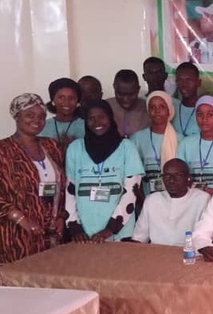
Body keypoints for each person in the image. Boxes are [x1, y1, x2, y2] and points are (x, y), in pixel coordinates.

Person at [0, 94, 66, 268]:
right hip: (12, 233)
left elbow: (63, 187)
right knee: (18, 279)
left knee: (50, 278)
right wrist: (21, 219)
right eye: (29, 115)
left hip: (49, 232)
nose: (37, 120)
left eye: (41, 116)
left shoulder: (51, 146)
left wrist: (61, 217)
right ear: (17, 116)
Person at [65, 100, 144, 242]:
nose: (97, 122)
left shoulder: (127, 148)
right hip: (85, 233)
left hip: (119, 231)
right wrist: (75, 227)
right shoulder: (75, 148)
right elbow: (70, 191)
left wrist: (110, 229)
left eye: (102, 117)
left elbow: (132, 192)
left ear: (110, 118)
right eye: (91, 118)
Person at [129, 158, 210, 246]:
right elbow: (139, 238)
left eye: (177, 175)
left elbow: (207, 239)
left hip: (189, 252)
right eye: (167, 176)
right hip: (156, 252)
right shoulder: (152, 200)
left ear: (188, 178)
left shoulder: (202, 199)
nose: (171, 180)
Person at [130, 91, 180, 195]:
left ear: (169, 110)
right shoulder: (137, 138)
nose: (157, 111)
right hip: (146, 196)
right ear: (148, 111)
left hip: (173, 197)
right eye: (152, 107)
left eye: (162, 107)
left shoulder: (180, 139)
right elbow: (134, 174)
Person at [40, 78, 86, 145]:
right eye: (61, 97)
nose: (66, 102)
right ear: (53, 100)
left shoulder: (86, 126)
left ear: (77, 101)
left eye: (71, 98)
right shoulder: (42, 126)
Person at [106, 69, 150, 138]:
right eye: (120, 94)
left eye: (131, 94)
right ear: (114, 87)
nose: (125, 99)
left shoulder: (148, 108)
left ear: (138, 89)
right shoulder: (104, 108)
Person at [171, 62, 202, 137]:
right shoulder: (171, 109)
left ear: (199, 82)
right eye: (180, 80)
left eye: (189, 80)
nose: (184, 85)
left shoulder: (209, 111)